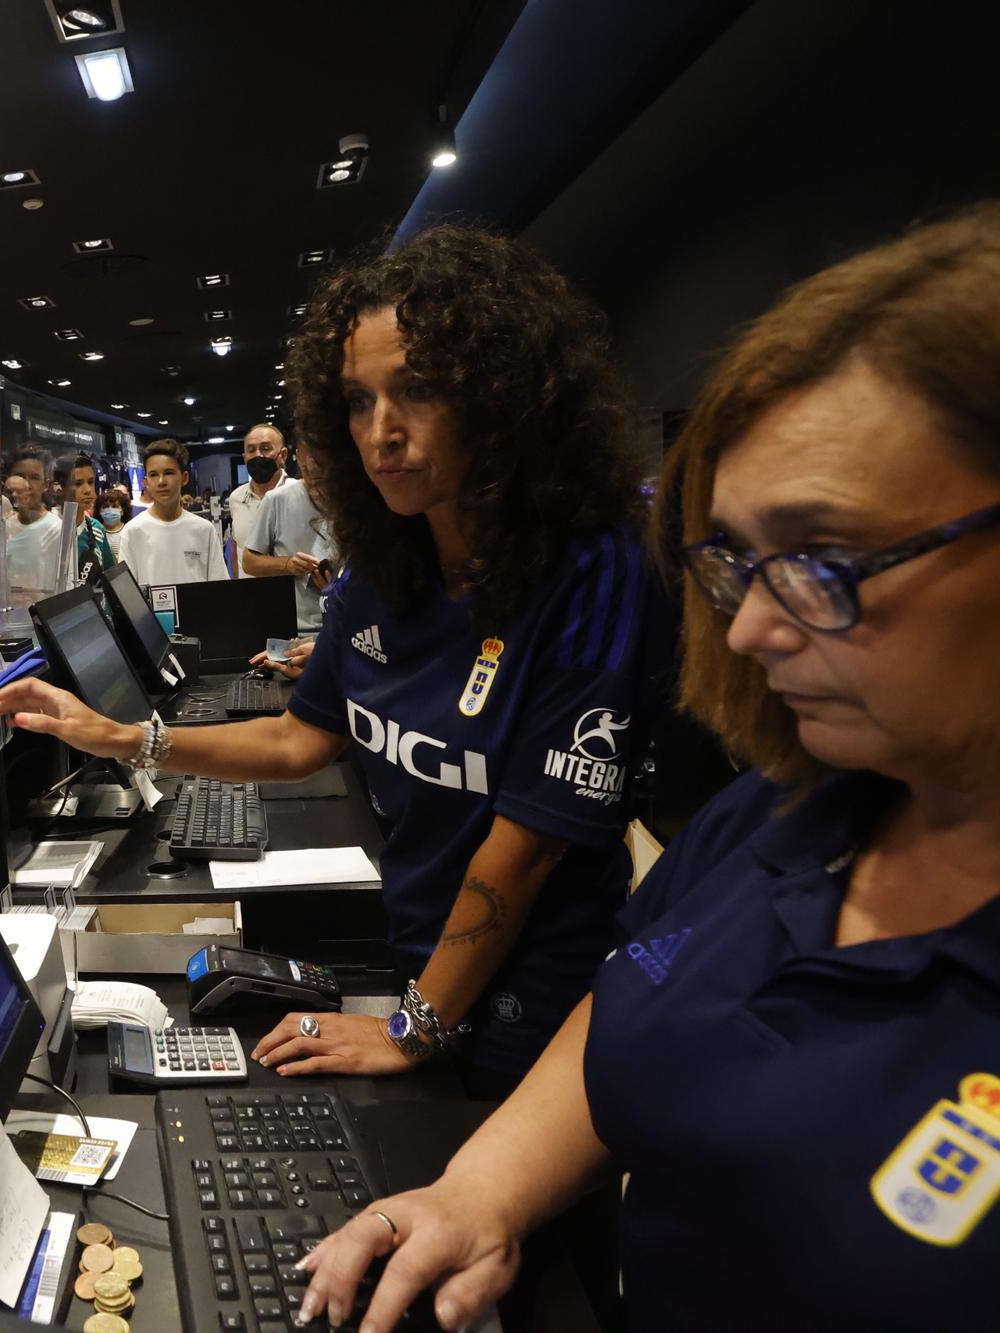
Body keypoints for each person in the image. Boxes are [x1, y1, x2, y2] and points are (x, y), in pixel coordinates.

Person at [294, 205, 1000, 1333]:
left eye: (823, 559)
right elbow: (634, 996)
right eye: (733, 562)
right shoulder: (773, 819)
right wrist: (478, 1192)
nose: (748, 631)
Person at [0, 224, 662, 1095]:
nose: (381, 431)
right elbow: (298, 739)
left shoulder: (592, 564)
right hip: (421, 964)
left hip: (535, 1010)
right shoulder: (382, 569)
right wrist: (125, 738)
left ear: (501, 398)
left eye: (417, 389)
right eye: (356, 400)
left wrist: (413, 1026)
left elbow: (528, 844)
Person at [241, 440, 337, 634]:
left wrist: (339, 587)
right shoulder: (277, 499)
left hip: (346, 624)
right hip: (295, 629)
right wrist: (288, 565)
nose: (311, 464)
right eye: (306, 454)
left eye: (319, 454)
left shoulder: (355, 499)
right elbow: (249, 562)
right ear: (297, 455)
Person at [118, 439, 227, 586]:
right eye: (153, 474)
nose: (161, 481)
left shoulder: (204, 530)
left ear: (184, 478)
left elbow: (219, 586)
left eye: (168, 473)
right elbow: (127, 592)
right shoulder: (132, 531)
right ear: (146, 482)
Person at [226, 423, 293, 575]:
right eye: (251, 450)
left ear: (283, 455)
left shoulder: (299, 494)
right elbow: (236, 548)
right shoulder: (236, 498)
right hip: (249, 596)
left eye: (265, 449)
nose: (258, 455)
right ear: (244, 458)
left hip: (293, 594)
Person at [3, 446, 66, 603]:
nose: (27, 485)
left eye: (35, 477)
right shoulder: (4, 526)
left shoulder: (57, 529)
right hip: (9, 619)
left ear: (46, 484)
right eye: (20, 476)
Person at [59, 453, 117, 582]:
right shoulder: (50, 530)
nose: (87, 490)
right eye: (78, 483)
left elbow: (111, 577)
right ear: (60, 487)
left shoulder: (97, 529)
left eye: (91, 482)